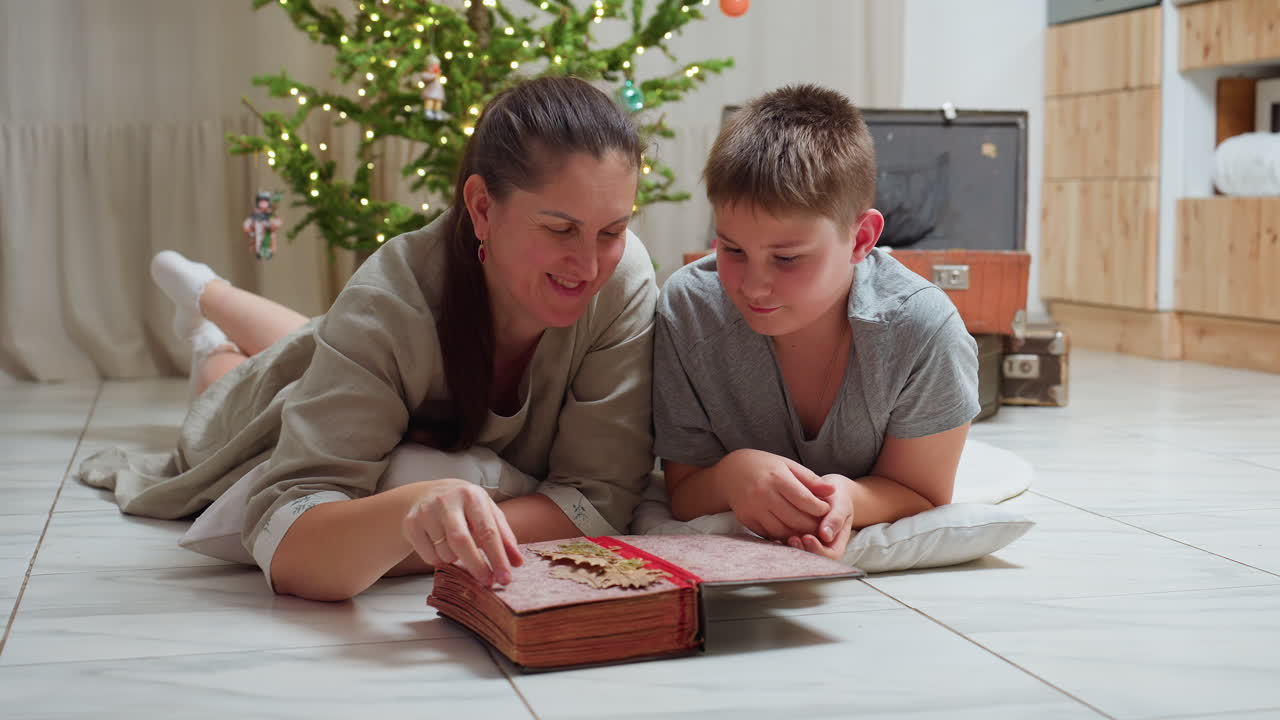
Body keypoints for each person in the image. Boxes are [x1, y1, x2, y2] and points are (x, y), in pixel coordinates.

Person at [77, 76, 658, 601]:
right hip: (277, 397)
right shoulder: (391, 299)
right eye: (560, 228)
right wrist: (413, 509)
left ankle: (209, 299)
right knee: (231, 395)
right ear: (482, 207)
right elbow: (292, 541)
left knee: (311, 338)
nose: (587, 265)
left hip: (349, 345)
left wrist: (435, 535)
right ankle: (207, 325)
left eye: (612, 229)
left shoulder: (623, 277)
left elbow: (601, 500)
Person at [653, 84, 980, 562]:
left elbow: (923, 492)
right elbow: (682, 490)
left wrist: (849, 501)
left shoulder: (923, 329)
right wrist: (733, 475)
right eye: (732, 250)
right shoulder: (688, 309)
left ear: (860, 238)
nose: (754, 286)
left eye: (787, 258)